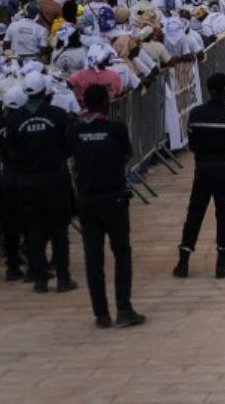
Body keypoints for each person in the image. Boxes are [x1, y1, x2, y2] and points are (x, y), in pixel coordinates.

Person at [67, 82, 144, 328]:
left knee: (93, 256)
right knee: (121, 252)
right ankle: (124, 308)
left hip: (87, 199)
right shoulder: (116, 129)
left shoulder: (76, 132)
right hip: (113, 197)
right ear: (105, 104)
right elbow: (125, 155)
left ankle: (101, 314)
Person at [2, 75, 77, 294]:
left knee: (33, 230)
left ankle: (40, 279)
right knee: (59, 230)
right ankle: (63, 278)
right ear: (47, 92)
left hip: (28, 180)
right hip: (55, 178)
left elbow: (12, 151)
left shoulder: (15, 120)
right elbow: (69, 146)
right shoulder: (58, 115)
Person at [175, 71, 225, 279]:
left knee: (195, 213)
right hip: (224, 169)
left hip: (203, 169)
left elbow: (193, 143)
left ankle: (183, 261)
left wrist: (205, 157)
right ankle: (221, 262)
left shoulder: (196, 114)